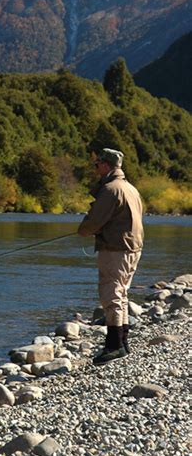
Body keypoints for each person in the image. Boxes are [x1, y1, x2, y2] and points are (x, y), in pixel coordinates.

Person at [78, 148, 143, 365]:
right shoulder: (130, 188)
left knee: (110, 293)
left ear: (106, 165)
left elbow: (95, 221)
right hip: (132, 247)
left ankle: (113, 346)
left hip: (115, 248)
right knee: (121, 293)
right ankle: (122, 344)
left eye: (97, 165)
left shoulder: (111, 189)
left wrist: (83, 230)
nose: (96, 169)